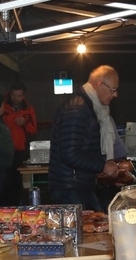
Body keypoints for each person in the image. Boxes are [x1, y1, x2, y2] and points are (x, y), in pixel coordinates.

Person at [47, 65, 124, 211]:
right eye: (113, 90)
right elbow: (69, 154)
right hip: (70, 188)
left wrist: (107, 172)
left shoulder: (90, 108)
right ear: (99, 85)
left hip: (78, 185)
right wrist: (103, 166)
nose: (115, 95)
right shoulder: (77, 109)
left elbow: (87, 150)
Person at [0, 81, 38, 201]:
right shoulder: (1, 107)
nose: (16, 98)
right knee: (4, 182)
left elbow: (33, 129)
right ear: (10, 94)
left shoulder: (28, 110)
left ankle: (17, 203)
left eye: (19, 96)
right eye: (13, 95)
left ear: (23, 96)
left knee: (18, 182)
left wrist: (25, 123)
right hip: (4, 150)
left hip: (20, 151)